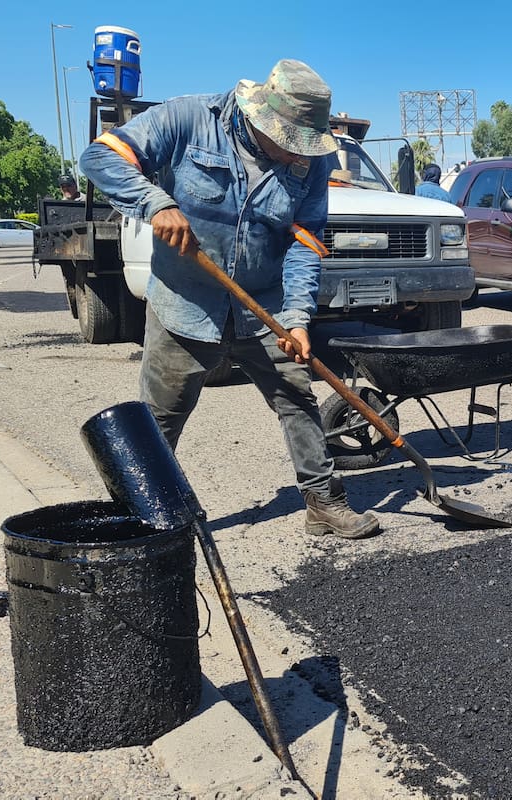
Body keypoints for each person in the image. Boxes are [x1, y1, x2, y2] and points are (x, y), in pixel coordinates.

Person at [79, 59, 380, 539]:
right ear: (262, 118)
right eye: (288, 143)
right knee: (160, 418)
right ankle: (139, 520)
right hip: (185, 302)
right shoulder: (186, 120)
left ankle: (323, 504)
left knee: (297, 397)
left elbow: (305, 243)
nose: (293, 156)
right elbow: (98, 159)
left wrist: (299, 318)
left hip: (265, 306)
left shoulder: (312, 162)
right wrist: (156, 203)